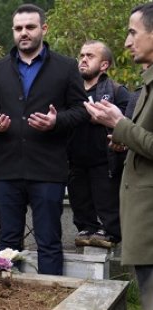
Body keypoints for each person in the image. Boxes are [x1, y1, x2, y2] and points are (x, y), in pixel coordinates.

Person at [0, 4, 88, 275]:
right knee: (7, 242)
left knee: (49, 241)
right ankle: (6, 298)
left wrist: (56, 121)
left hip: (48, 167)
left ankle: (53, 297)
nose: (24, 33)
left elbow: (81, 110)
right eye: (18, 28)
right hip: (7, 168)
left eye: (30, 27)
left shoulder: (65, 67)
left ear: (43, 29)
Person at [83, 3, 153, 307]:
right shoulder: (146, 85)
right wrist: (122, 137)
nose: (126, 42)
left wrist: (119, 124)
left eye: (133, 32)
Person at [67, 41, 129, 249]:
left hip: (105, 160)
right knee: (80, 201)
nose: (83, 59)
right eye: (82, 55)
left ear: (104, 65)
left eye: (90, 56)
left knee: (107, 202)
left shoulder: (116, 91)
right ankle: (86, 227)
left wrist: (104, 120)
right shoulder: (70, 91)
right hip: (75, 160)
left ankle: (109, 231)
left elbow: (127, 122)